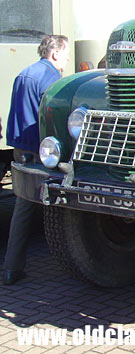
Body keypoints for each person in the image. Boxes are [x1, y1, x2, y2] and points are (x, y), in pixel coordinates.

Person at [3, 35, 70, 285]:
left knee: (22, 207)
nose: (66, 60)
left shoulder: (24, 73)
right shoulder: (51, 78)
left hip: (19, 147)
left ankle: (12, 267)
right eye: (64, 55)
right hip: (39, 151)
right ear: (54, 54)